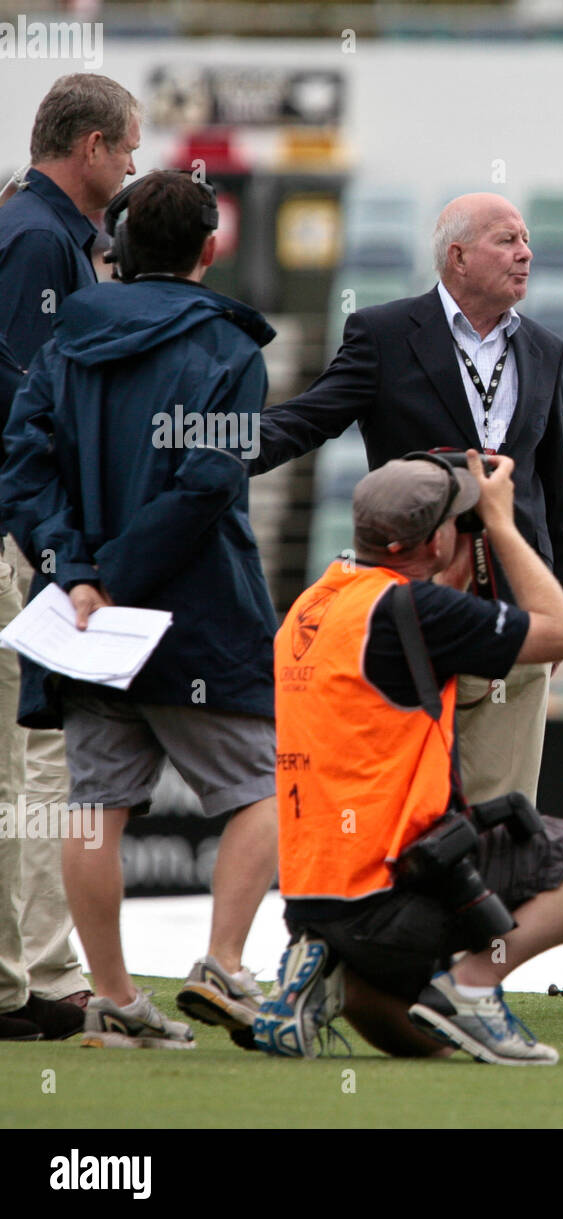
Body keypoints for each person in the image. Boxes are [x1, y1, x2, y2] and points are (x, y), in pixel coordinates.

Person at [1, 170, 282, 1049]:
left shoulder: (66, 342)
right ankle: (225, 964)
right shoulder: (231, 350)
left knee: (93, 808)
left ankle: (115, 1000)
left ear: (117, 248)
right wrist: (116, 574)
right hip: (198, 618)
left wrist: (80, 571)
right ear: (209, 249)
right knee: (267, 791)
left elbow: (22, 468)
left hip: (83, 623)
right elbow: (206, 486)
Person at [253, 452, 563, 1064]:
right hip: (397, 888)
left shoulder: (315, 604)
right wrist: (499, 524)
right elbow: (560, 633)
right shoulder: (415, 611)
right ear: (435, 538)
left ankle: (331, 968)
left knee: (427, 1045)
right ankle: (472, 986)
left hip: (318, 901)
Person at [250, 192, 563, 808]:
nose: (526, 253)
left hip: (516, 617)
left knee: (505, 814)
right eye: (507, 240)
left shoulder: (545, 348)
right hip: (417, 607)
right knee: (410, 806)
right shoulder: (383, 333)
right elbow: (306, 419)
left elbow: (553, 494)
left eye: (527, 240)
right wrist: (208, 450)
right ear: (457, 256)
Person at [0, 72, 140, 1042]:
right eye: (127, 147)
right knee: (37, 760)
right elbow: (30, 407)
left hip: (30, 527)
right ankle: (23, 981)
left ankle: (36, 973)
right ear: (89, 145)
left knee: (36, 760)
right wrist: (57, 540)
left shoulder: (43, 235)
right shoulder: (39, 242)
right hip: (26, 536)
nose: (132, 166)